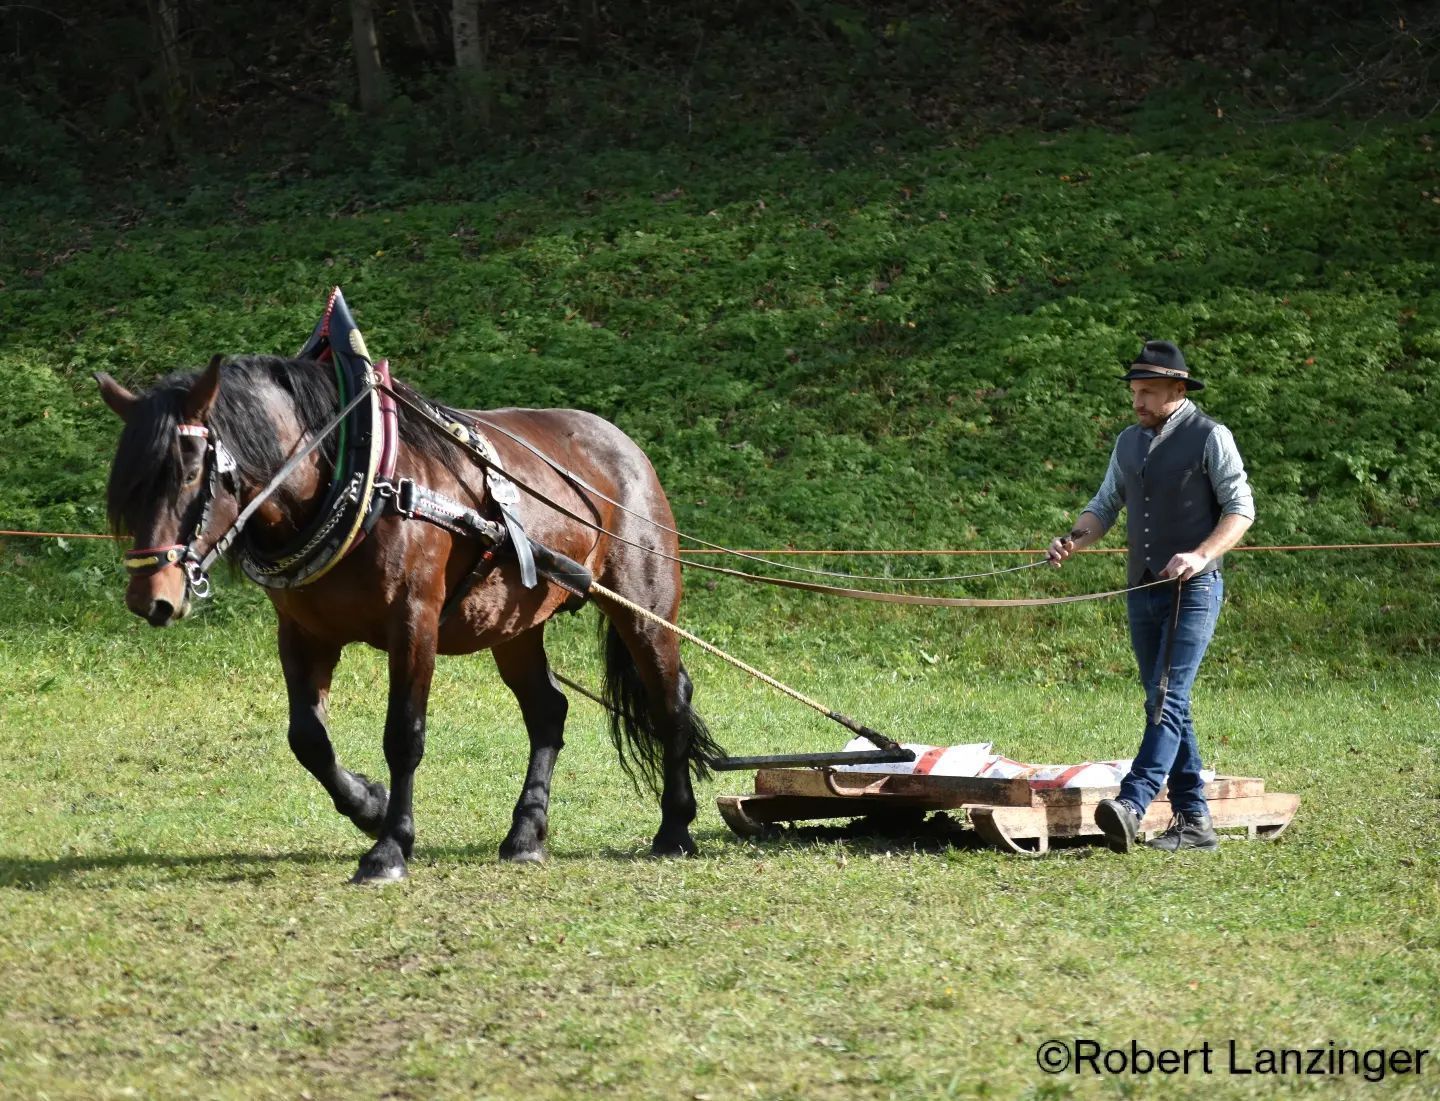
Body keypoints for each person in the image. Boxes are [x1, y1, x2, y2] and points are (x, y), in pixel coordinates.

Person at [1047, 340, 1255, 853]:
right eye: (1135, 392)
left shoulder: (1211, 436)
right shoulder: (1128, 442)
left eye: (1148, 393)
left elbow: (1241, 509)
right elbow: (1104, 505)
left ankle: (1133, 803)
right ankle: (1194, 820)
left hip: (1195, 588)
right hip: (1142, 586)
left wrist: (1201, 555)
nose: (1137, 402)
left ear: (1178, 390)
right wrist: (1073, 539)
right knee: (1166, 701)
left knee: (1167, 695)